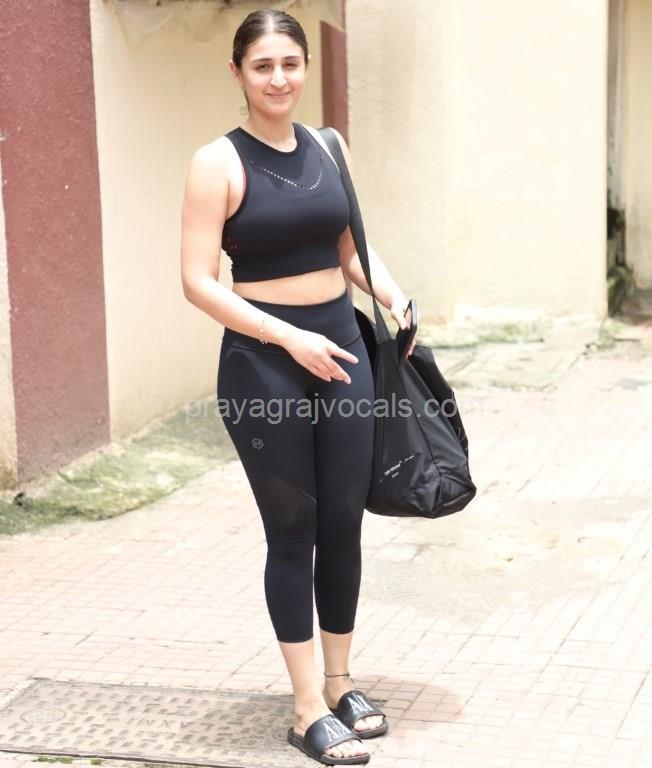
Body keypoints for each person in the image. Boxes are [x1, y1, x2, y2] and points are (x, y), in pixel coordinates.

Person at [180, 8, 416, 765]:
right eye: (262, 66)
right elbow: (197, 282)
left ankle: (340, 682)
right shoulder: (217, 162)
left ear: (305, 66)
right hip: (266, 366)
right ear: (238, 73)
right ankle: (306, 704)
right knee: (294, 529)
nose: (278, 78)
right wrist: (288, 337)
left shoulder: (329, 147)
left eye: (290, 63)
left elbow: (349, 250)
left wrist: (393, 295)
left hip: (341, 352)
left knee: (343, 521)